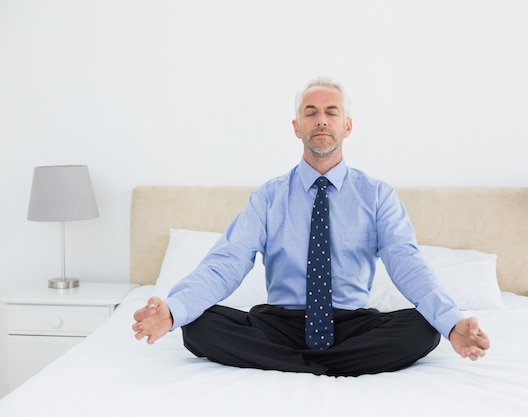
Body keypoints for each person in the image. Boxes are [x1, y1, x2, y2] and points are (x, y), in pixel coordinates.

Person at [132, 77, 490, 376]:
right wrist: (173, 310)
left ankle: (291, 367)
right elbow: (226, 262)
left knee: (424, 328)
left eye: (331, 113)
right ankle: (331, 367)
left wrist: (451, 322)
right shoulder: (268, 197)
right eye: (311, 112)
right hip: (280, 322)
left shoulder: (377, 195)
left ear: (346, 126)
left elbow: (407, 263)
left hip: (351, 323)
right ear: (297, 127)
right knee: (197, 325)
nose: (321, 120)